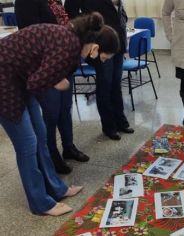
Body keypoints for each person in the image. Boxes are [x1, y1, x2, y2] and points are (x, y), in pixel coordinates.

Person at [0, 13, 119, 216]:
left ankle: (56, 188)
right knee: (28, 145)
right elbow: (35, 83)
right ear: (95, 48)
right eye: (103, 58)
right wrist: (57, 81)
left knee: (40, 135)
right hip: (5, 83)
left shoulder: (73, 40)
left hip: (18, 78)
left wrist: (54, 77)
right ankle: (41, 204)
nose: (101, 62)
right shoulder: (69, 46)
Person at [15, 0, 90, 175]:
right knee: (51, 113)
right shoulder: (26, 3)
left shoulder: (54, 1)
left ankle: (68, 147)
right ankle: (52, 155)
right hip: (46, 68)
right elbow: (29, 38)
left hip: (63, 61)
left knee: (65, 108)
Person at [65, 0, 134, 140]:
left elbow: (119, 10)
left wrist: (122, 20)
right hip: (100, 42)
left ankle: (121, 121)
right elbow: (71, 11)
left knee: (116, 84)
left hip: (117, 41)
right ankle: (109, 126)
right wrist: (90, 34)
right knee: (105, 85)